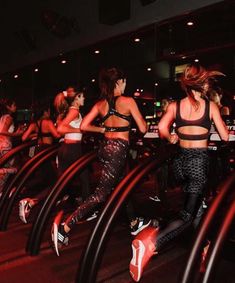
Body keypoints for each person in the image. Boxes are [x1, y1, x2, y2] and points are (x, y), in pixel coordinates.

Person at [129, 64, 229, 282]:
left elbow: (163, 128)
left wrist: (173, 137)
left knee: (197, 209)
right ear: (201, 84)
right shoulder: (210, 106)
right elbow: (223, 136)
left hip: (180, 164)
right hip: (198, 164)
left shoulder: (175, 106)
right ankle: (150, 243)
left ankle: (203, 247)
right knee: (186, 216)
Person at [51, 67, 147, 256]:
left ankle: (134, 222)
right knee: (101, 194)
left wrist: (103, 130)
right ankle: (65, 228)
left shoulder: (100, 104)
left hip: (106, 148)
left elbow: (85, 125)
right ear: (118, 83)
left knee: (123, 184)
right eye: (125, 82)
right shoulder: (128, 101)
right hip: (119, 149)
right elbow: (143, 128)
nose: (126, 85)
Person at [18, 105, 61, 223]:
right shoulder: (47, 122)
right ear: (46, 111)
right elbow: (57, 135)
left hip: (38, 150)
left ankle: (19, 189)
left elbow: (24, 137)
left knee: (42, 178)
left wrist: (37, 135)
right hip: (47, 151)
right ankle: (31, 201)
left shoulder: (35, 123)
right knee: (55, 181)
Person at [54, 88, 91, 205]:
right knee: (85, 179)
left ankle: (34, 201)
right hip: (73, 149)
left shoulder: (70, 111)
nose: (84, 98)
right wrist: (79, 130)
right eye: (82, 96)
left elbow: (61, 127)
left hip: (65, 148)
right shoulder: (74, 111)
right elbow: (60, 129)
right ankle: (87, 208)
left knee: (61, 182)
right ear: (76, 99)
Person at [0, 98, 24, 195]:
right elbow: (2, 131)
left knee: (8, 166)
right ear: (8, 107)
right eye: (14, 105)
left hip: (2, 145)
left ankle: (3, 191)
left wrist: (16, 131)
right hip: (5, 146)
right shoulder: (9, 117)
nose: (16, 107)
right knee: (16, 167)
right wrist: (17, 134)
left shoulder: (2, 117)